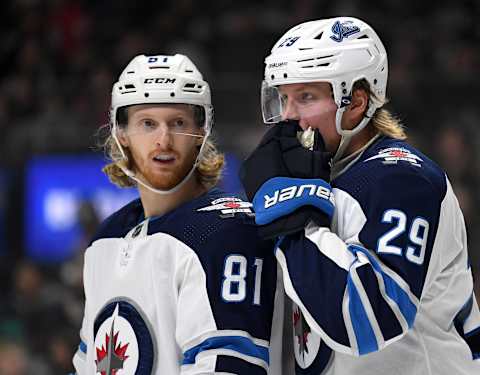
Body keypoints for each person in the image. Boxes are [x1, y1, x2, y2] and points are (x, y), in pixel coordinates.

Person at [240, 17, 480, 374]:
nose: (288, 118)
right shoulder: (321, 176)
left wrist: (290, 217)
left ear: (355, 102)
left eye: (306, 97)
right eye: (283, 98)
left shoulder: (401, 179)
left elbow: (367, 321)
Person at [72, 54, 284, 374]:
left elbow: (227, 367)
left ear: (202, 132)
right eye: (148, 123)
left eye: (178, 123)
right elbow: (87, 364)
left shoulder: (227, 231)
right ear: (122, 133)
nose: (163, 140)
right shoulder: (106, 237)